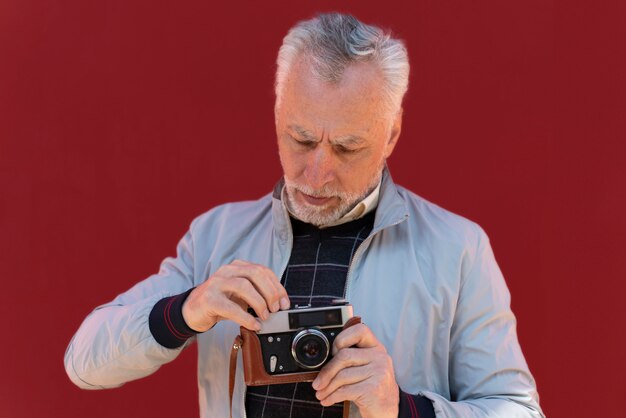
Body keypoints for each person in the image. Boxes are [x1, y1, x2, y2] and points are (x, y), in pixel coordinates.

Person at [65, 13, 544, 418]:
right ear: (277, 115)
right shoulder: (215, 237)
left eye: (347, 147)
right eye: (301, 139)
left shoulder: (458, 249)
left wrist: (401, 407)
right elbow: (83, 362)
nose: (317, 174)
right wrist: (188, 309)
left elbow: (520, 410)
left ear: (392, 134)